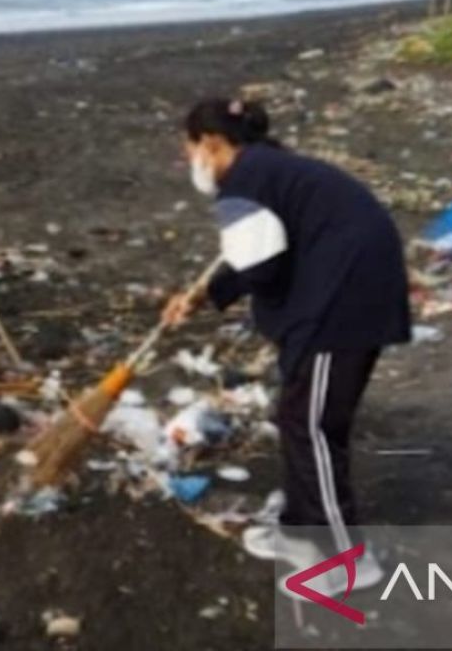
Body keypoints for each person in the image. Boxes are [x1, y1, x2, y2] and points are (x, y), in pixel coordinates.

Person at [163, 99, 411, 592]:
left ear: (211, 144)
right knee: (299, 417)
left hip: (343, 302)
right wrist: (208, 294)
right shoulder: (269, 168)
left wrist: (214, 291)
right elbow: (266, 254)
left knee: (312, 427)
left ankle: (347, 561)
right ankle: (300, 528)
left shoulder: (246, 180)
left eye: (190, 149)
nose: (190, 161)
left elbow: (262, 268)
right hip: (346, 290)